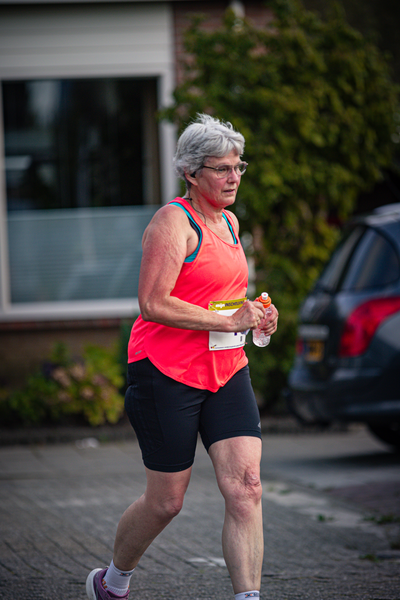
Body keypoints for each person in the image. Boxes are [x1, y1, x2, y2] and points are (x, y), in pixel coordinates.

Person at [86, 113, 279, 600]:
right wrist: (228, 321)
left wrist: (255, 314)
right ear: (191, 173)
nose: (234, 177)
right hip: (165, 374)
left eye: (239, 166)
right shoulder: (173, 223)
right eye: (222, 168)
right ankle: (112, 581)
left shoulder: (231, 223)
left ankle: (248, 596)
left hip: (226, 369)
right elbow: (153, 302)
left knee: (247, 486)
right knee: (167, 502)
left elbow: (225, 298)